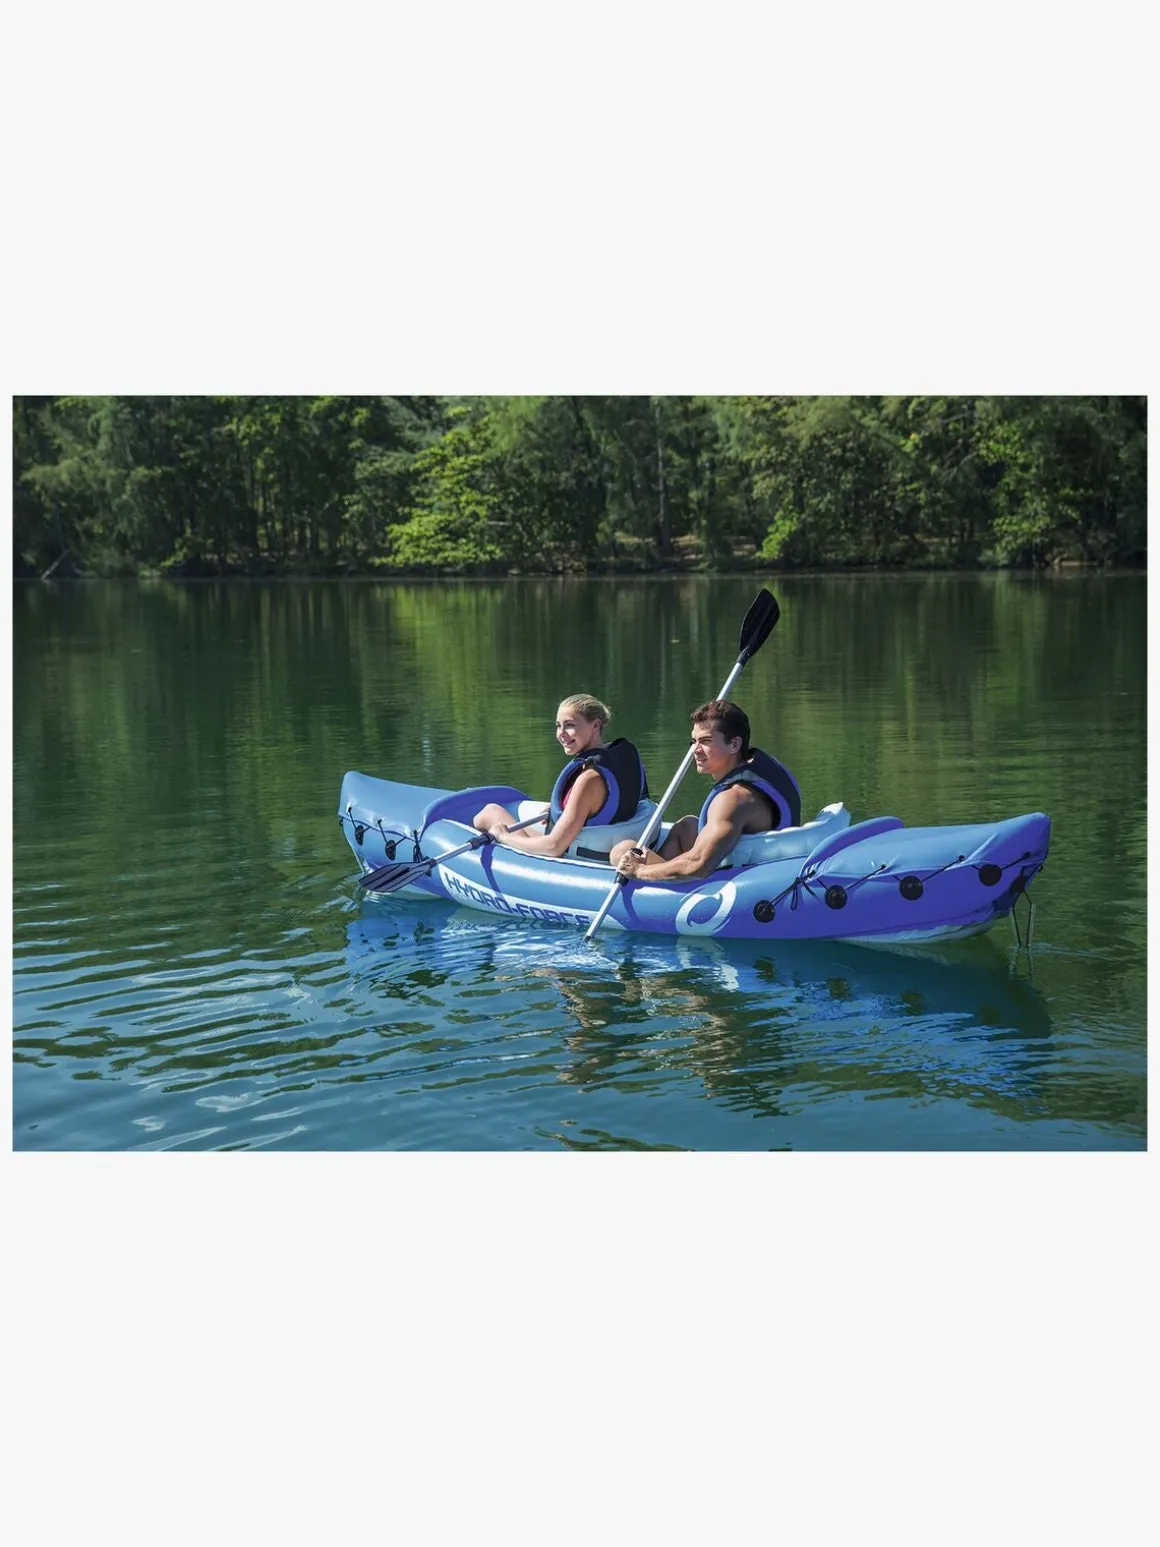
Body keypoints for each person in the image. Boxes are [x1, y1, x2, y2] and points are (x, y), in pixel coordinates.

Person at [610, 699, 800, 883]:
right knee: (687, 826)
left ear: (734, 744)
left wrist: (640, 870)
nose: (696, 750)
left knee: (623, 851)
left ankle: (658, 888)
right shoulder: (761, 766)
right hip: (762, 864)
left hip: (738, 882)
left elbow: (698, 864)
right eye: (694, 741)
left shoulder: (734, 798)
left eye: (706, 741)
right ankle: (662, 876)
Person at [472, 694, 648, 858]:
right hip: (604, 840)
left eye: (569, 725)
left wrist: (504, 837)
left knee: (489, 813)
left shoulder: (589, 779)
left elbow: (553, 847)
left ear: (595, 726)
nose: (561, 734)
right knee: (490, 812)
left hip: (573, 852)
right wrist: (563, 808)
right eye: (558, 726)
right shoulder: (618, 760)